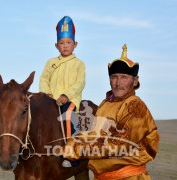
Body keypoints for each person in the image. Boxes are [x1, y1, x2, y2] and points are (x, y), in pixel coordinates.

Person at [62, 44, 160, 179]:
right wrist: (74, 140)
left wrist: (79, 149)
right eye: (114, 77)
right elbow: (96, 135)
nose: (118, 82)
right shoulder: (106, 103)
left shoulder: (135, 106)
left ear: (135, 80)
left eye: (124, 77)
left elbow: (120, 144)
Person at [39, 16, 85, 167]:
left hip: (70, 100)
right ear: (56, 45)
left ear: (75, 44)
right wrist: (47, 94)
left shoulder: (79, 64)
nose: (65, 46)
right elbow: (44, 79)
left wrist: (66, 95)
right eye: (62, 43)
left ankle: (71, 154)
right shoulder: (51, 63)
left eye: (69, 42)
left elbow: (80, 83)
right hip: (51, 100)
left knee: (67, 118)